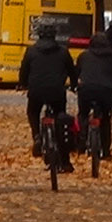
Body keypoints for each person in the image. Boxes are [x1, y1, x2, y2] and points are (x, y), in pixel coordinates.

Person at [21, 20, 74, 156]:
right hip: (57, 91)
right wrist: (73, 84)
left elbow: (24, 71)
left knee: (33, 112)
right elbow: (72, 71)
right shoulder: (63, 52)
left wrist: (23, 83)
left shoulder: (31, 51)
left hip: (36, 91)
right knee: (60, 114)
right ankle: (59, 138)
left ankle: (37, 136)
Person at [75, 26, 112, 160]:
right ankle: (106, 151)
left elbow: (77, 72)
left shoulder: (84, 56)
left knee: (83, 114)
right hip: (105, 90)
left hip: (86, 89)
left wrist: (75, 86)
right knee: (105, 120)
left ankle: (81, 142)